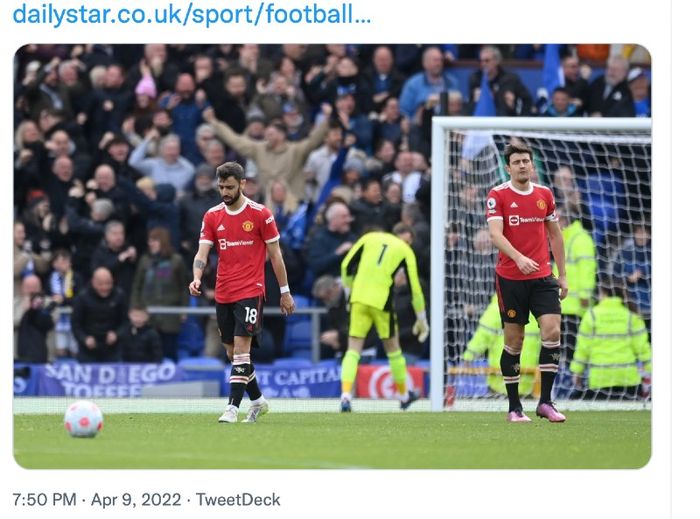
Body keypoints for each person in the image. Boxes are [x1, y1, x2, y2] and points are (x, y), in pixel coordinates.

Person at [189, 161, 296, 424]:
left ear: (242, 184)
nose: (224, 192)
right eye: (221, 187)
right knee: (231, 353)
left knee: (241, 351)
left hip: (251, 289)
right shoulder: (212, 216)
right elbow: (202, 251)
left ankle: (232, 408)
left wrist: (285, 291)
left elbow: (276, 256)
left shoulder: (261, 214)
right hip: (223, 291)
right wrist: (196, 276)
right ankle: (258, 400)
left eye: (229, 187)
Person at [486, 142, 568, 423]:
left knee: (552, 331)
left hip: (543, 276)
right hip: (510, 278)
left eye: (526, 161)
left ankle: (545, 402)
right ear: (508, 168)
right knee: (514, 342)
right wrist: (519, 258)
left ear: (532, 166)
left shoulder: (545, 194)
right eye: (517, 162)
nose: (523, 165)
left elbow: (555, 236)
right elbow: (496, 235)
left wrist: (563, 274)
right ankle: (514, 407)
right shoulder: (498, 195)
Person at [338, 225, 429, 412]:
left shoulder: (369, 237)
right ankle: (404, 396)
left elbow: (346, 265)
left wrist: (348, 294)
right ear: (408, 239)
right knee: (393, 349)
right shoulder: (405, 250)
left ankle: (346, 395)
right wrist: (422, 319)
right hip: (382, 302)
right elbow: (415, 288)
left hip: (358, 298)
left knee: (353, 349)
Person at [570, 277, 651, 400]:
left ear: (603, 293)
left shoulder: (592, 315)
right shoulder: (632, 316)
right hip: (628, 379)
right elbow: (643, 350)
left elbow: (583, 348)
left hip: (600, 378)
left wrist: (577, 372)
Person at [71, 267, 130, 363]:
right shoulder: (82, 297)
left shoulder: (120, 295)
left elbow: (125, 321)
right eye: (101, 284)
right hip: (88, 350)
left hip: (112, 349)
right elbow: (75, 324)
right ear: (93, 282)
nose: (105, 287)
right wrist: (84, 338)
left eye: (108, 283)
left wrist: (117, 334)